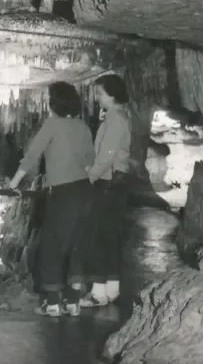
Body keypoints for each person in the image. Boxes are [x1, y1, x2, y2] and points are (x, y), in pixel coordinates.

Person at [9, 81, 95, 317]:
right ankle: (73, 302)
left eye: (49, 99)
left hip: (63, 192)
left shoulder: (52, 124)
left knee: (52, 245)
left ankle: (53, 303)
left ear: (54, 102)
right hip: (85, 191)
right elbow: (90, 162)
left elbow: (32, 156)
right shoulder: (83, 127)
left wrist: (13, 184)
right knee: (77, 245)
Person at [80, 73, 132, 307]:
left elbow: (106, 155)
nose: (97, 98)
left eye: (100, 94)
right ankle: (112, 288)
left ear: (111, 94)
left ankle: (98, 292)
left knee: (97, 236)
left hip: (106, 182)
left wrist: (88, 179)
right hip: (116, 183)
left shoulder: (115, 120)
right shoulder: (119, 116)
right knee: (110, 235)